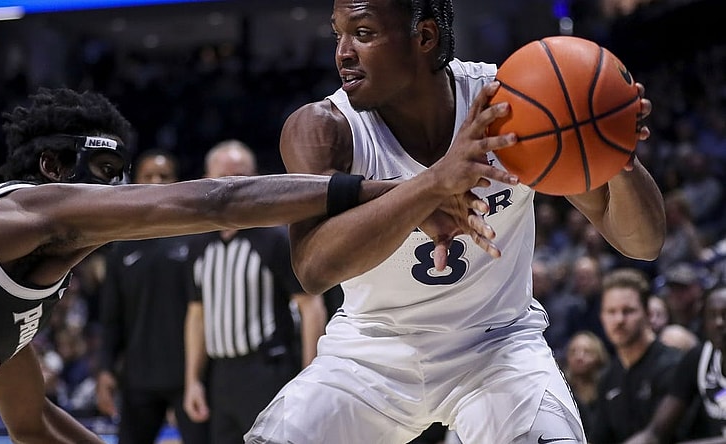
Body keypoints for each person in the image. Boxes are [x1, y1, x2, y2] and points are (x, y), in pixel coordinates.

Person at [0, 86, 493, 443]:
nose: (119, 188)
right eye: (104, 168)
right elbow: (215, 201)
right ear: (52, 166)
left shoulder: (19, 293)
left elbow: (32, 424)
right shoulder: (14, 213)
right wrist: (412, 189)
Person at [245, 1, 663, 443]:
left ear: (424, 38)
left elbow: (642, 243)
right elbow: (313, 269)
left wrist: (613, 151)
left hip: (497, 348)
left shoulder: (511, 105)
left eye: (363, 34)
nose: (342, 53)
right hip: (369, 353)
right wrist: (433, 186)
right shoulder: (323, 128)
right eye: (338, 34)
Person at [182, 140, 327, 442]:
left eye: (242, 178)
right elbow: (197, 314)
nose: (233, 186)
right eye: (225, 178)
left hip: (266, 369)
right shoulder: (198, 244)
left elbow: (310, 305)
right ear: (206, 179)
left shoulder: (274, 238)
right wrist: (193, 380)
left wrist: (310, 378)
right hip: (221, 374)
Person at [96, 149, 209, 444]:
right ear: (135, 182)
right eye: (148, 176)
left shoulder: (197, 236)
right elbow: (111, 317)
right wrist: (105, 369)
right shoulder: (122, 246)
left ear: (177, 181)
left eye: (164, 176)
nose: (156, 181)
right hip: (138, 378)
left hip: (192, 376)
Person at [589, 268, 683, 443]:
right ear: (601, 317)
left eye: (628, 311)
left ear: (647, 314)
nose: (619, 320)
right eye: (611, 311)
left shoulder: (673, 365)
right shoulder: (607, 378)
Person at [625, 285, 726, 444]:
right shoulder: (698, 358)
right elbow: (656, 432)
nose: (719, 323)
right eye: (712, 316)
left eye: (725, 315)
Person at [562, 331, 610, 437]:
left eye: (587, 352)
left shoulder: (608, 387)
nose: (579, 357)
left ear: (599, 356)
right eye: (573, 352)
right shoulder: (561, 389)